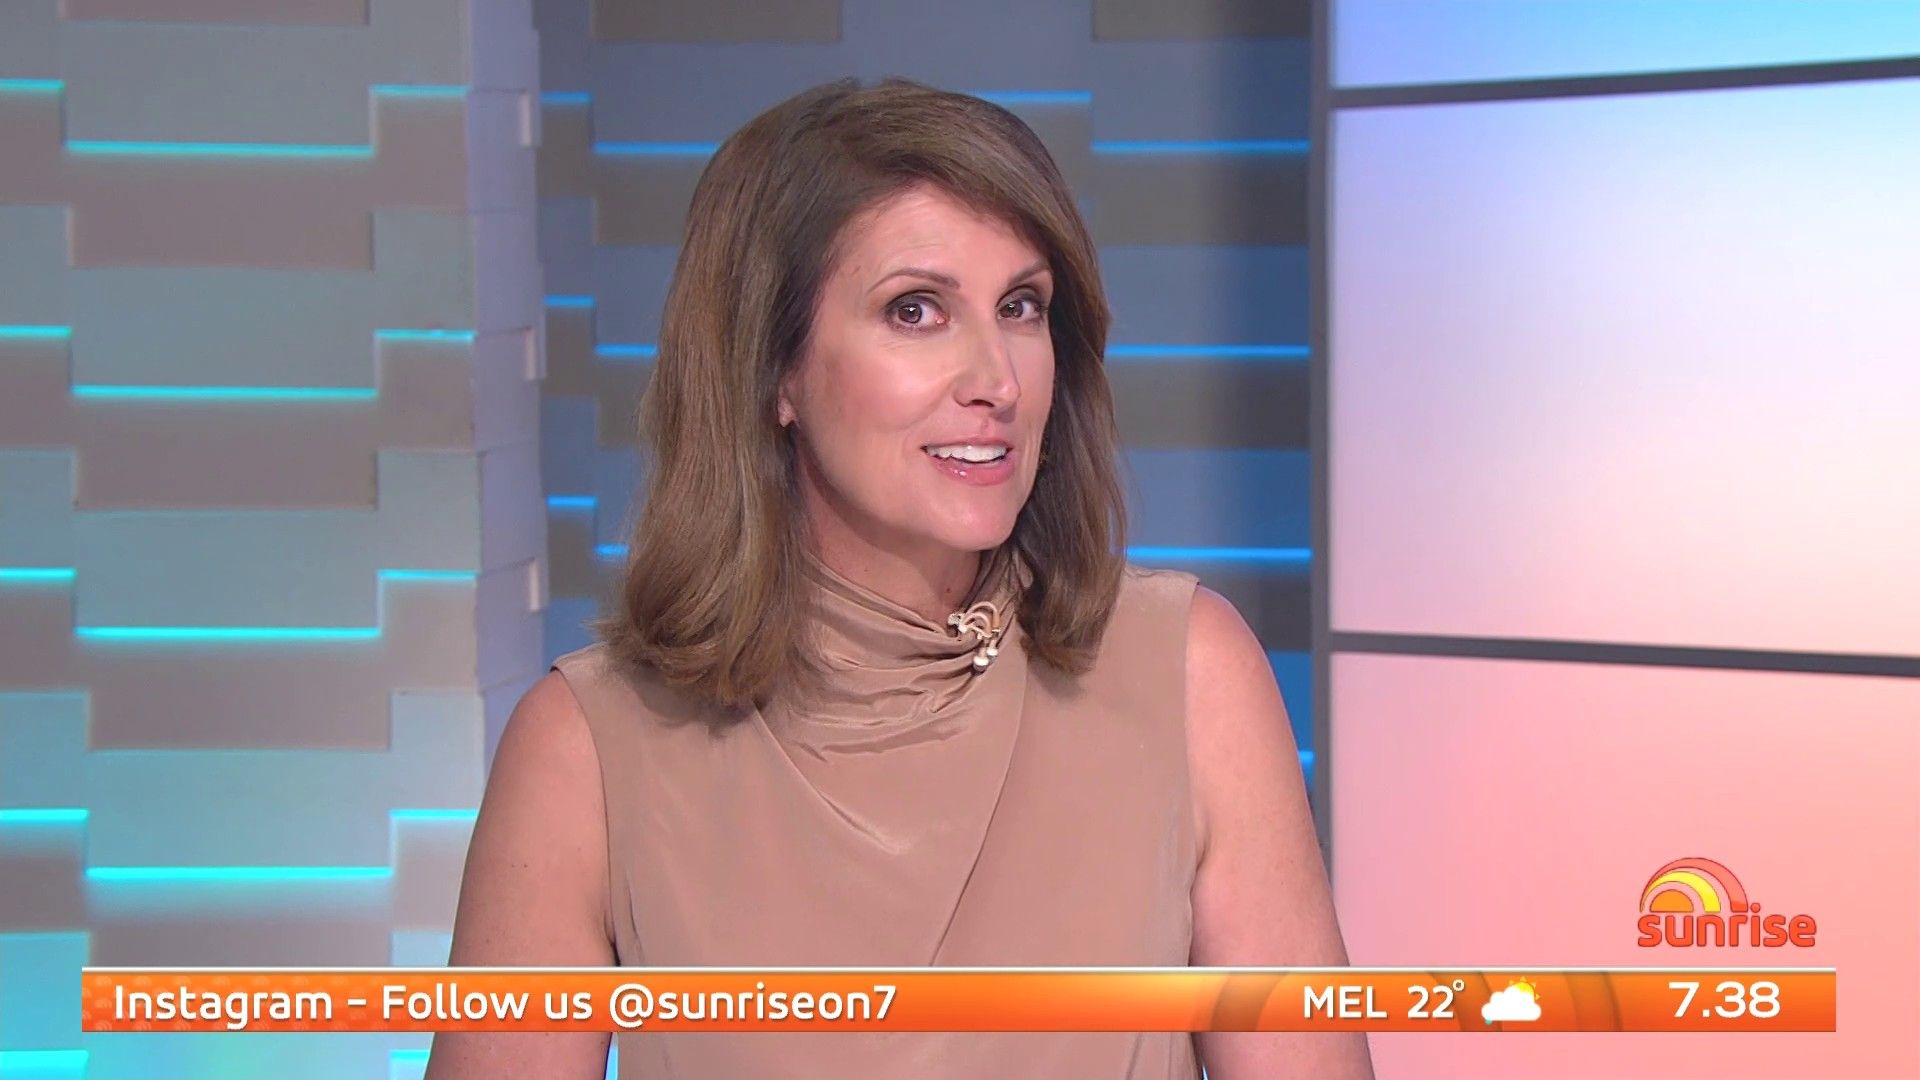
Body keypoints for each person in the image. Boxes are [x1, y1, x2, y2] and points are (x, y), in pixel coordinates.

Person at [427, 76, 1372, 1080]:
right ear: (775, 369)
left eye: (1020, 306)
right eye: (916, 311)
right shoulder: (586, 751)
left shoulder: (1188, 675)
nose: (997, 380)